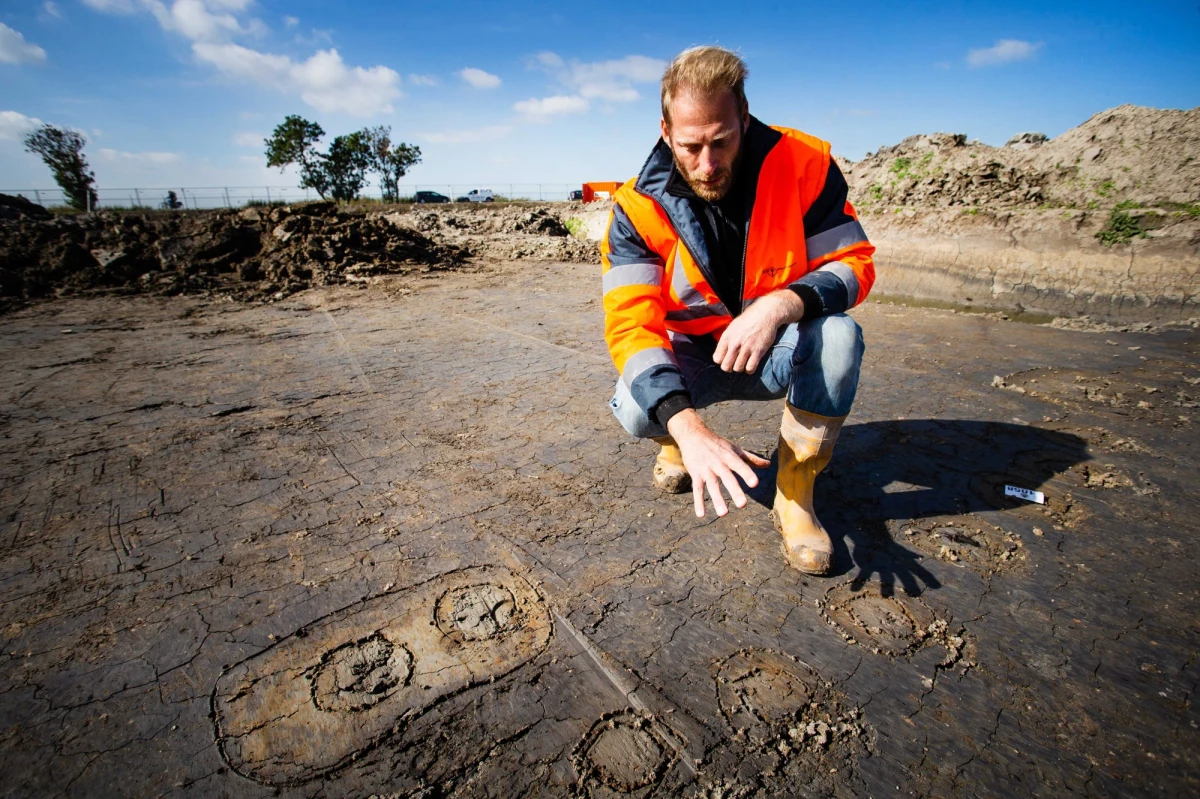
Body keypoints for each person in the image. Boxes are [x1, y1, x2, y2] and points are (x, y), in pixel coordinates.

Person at [601, 46, 875, 576]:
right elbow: (632, 324)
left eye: (721, 141)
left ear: (743, 119)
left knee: (839, 337)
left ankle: (794, 492)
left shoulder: (804, 164)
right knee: (638, 407)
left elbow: (854, 263)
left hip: (775, 346)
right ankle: (680, 447)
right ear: (665, 131)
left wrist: (782, 303)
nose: (708, 164)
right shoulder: (635, 208)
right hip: (694, 356)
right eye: (690, 146)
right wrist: (686, 426)